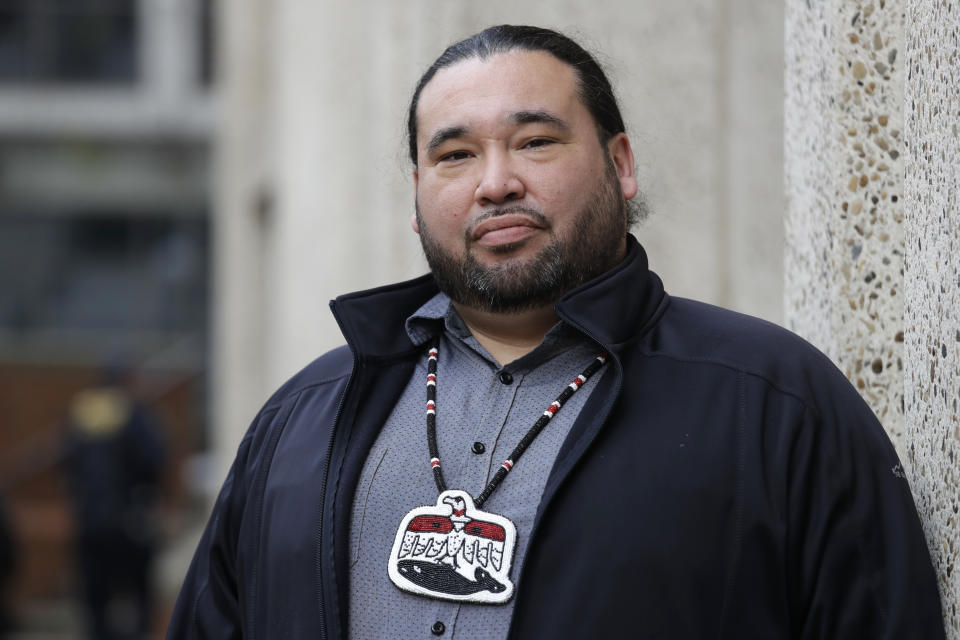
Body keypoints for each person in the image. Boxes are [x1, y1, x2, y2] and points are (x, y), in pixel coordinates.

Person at [167, 25, 944, 639]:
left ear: (622, 164)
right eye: (455, 154)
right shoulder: (302, 419)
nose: (495, 181)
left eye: (535, 142)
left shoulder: (776, 405)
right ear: (415, 196)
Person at [64, 362, 166, 640]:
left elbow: (67, 461)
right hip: (128, 520)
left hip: (89, 520)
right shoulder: (133, 412)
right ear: (126, 380)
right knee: (137, 596)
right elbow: (154, 457)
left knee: (96, 597)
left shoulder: (82, 411)